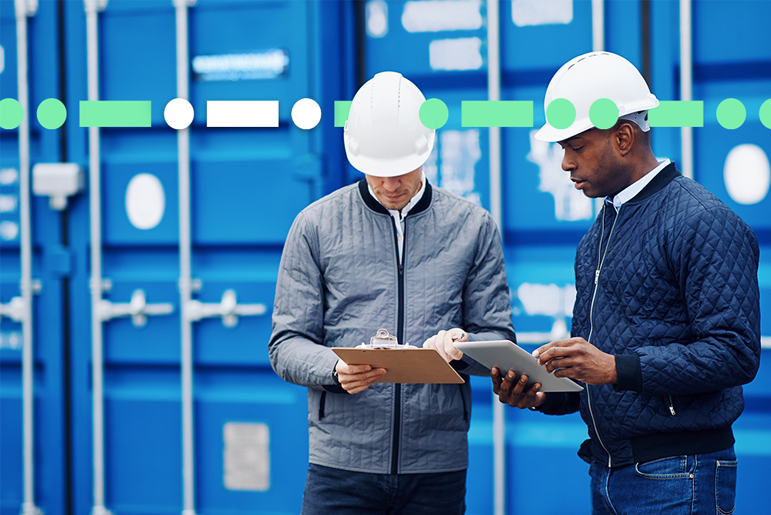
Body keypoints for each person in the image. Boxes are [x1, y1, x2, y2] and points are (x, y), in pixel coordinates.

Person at [492, 52, 760, 515]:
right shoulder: (599, 234)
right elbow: (598, 374)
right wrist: (541, 395)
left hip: (680, 476)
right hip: (608, 473)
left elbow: (735, 352)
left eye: (575, 146)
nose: (564, 164)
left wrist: (615, 367)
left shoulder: (704, 221)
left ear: (622, 137)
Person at [269, 71, 516, 515]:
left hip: (436, 467)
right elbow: (285, 344)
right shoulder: (315, 226)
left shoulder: (473, 228)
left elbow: (499, 341)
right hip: (340, 468)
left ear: (426, 150)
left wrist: (464, 347)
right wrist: (335, 368)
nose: (389, 184)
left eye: (401, 169)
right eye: (377, 171)